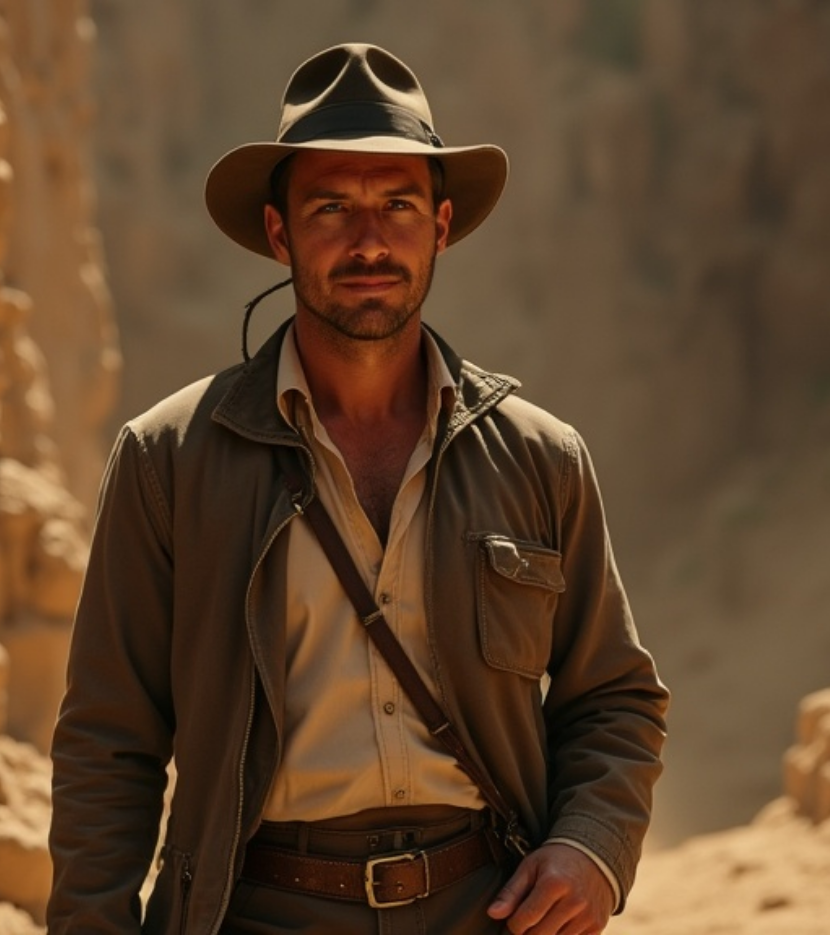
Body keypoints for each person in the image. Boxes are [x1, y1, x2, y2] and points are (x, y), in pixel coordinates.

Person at [49, 42, 668, 935]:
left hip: (485, 908)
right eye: (331, 207)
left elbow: (614, 698)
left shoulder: (539, 457)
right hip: (259, 912)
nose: (369, 241)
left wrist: (593, 846)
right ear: (279, 233)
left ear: (441, 226)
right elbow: (108, 743)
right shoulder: (168, 460)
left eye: (398, 206)